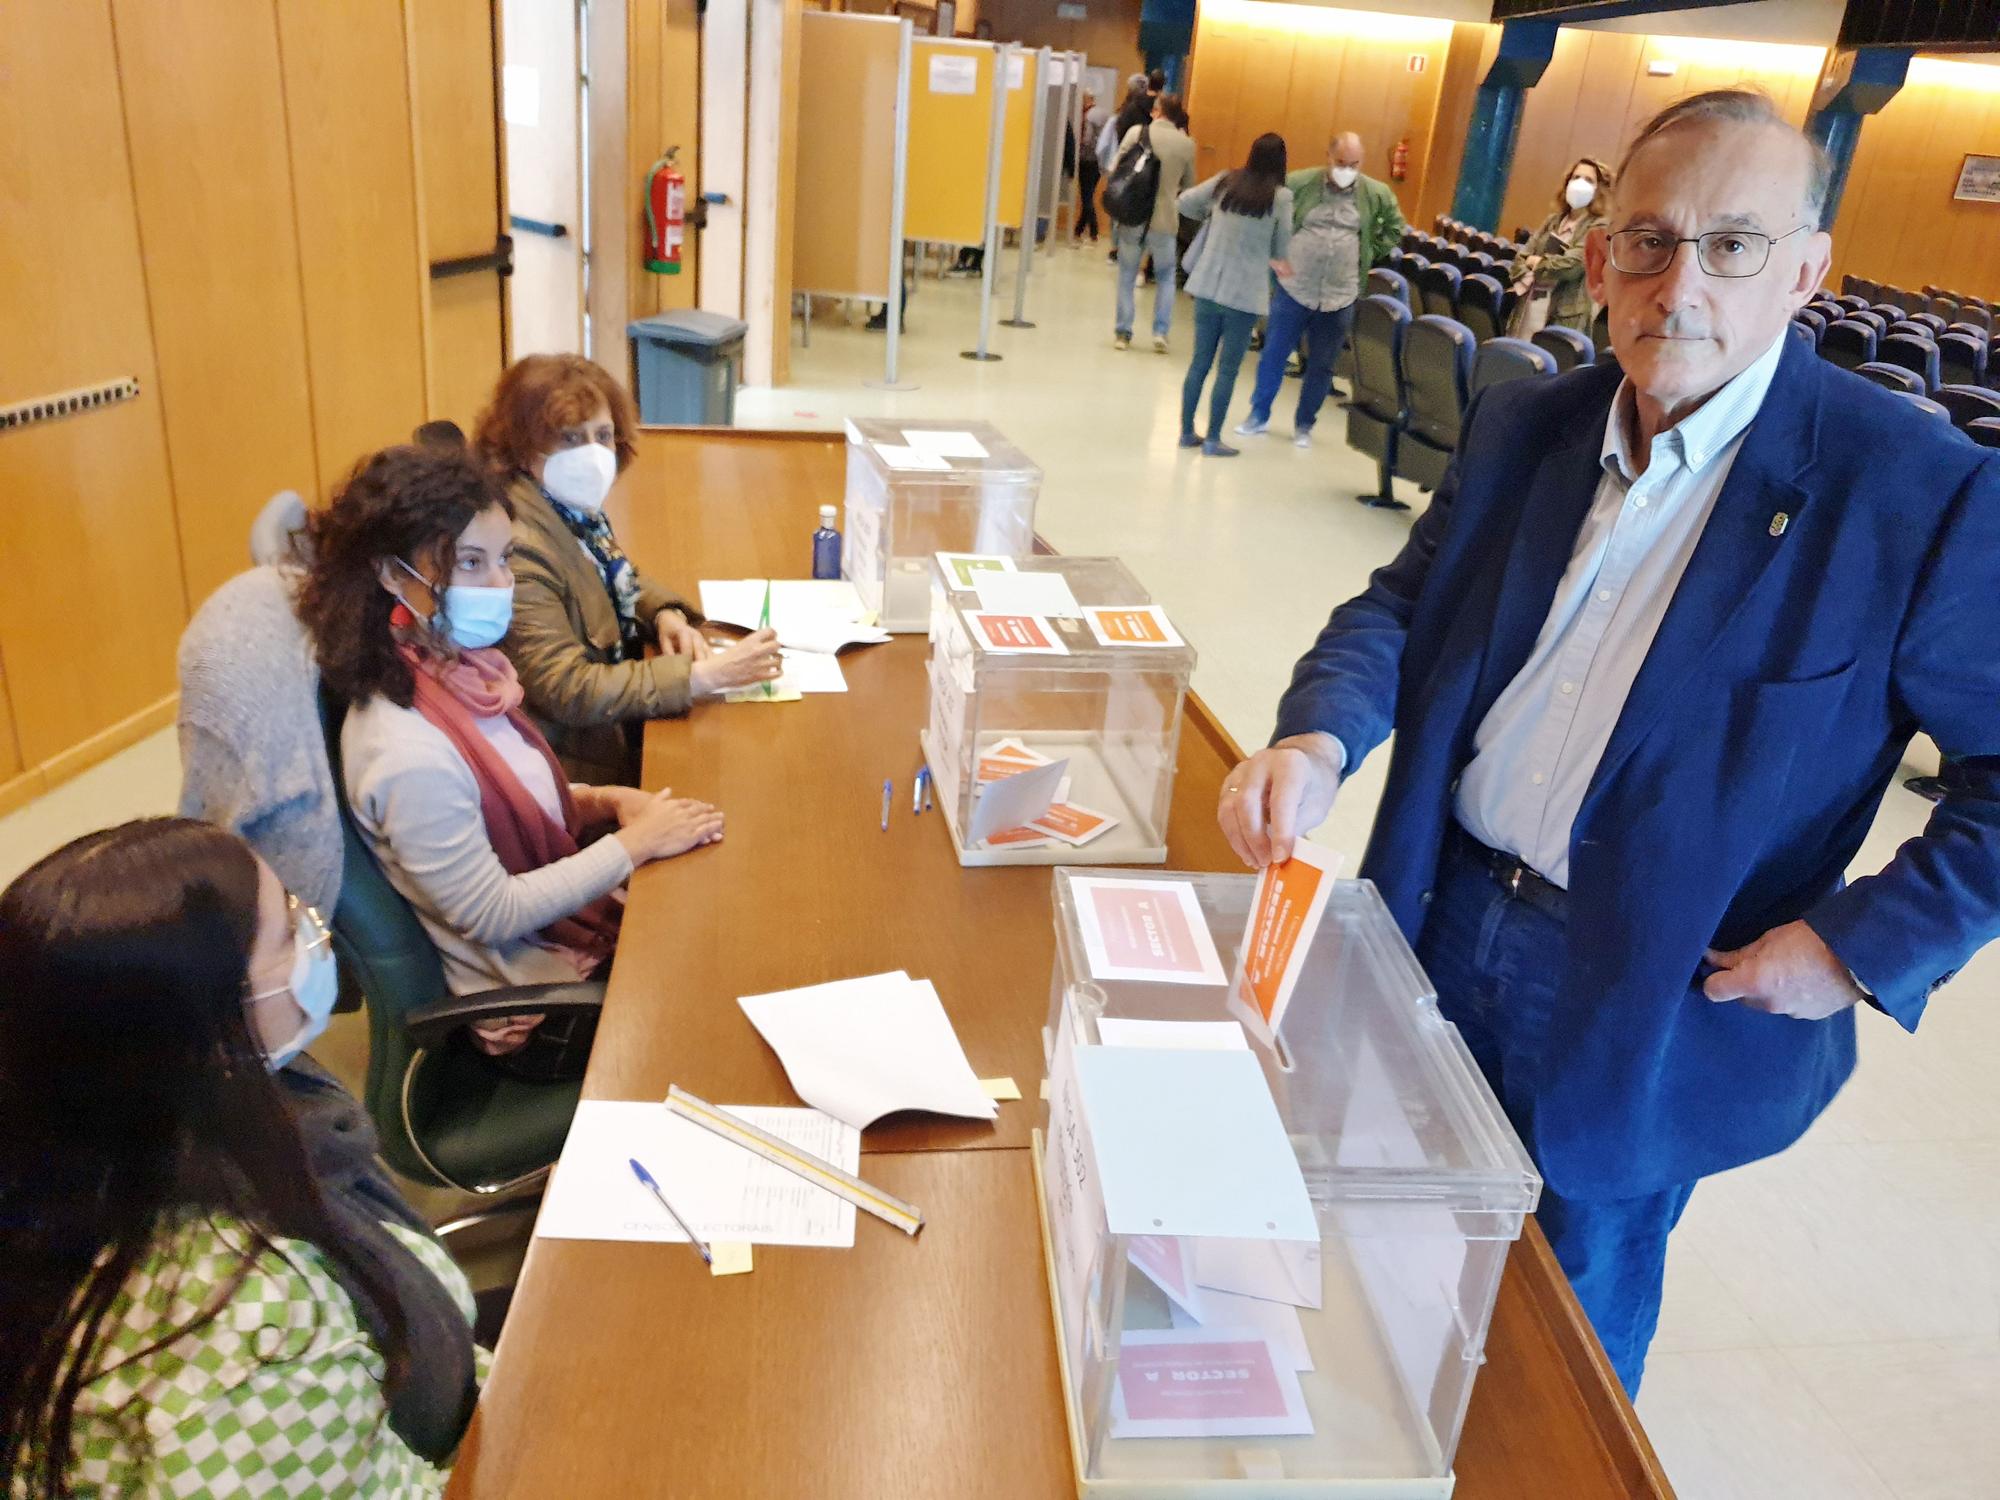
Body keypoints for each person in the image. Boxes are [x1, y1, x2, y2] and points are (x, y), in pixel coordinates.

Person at [1215, 89, 2000, 1395]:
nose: (1680, 281)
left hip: (1649, 986)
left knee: (1557, 1340)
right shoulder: (1532, 422)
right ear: (1598, 257)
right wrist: (1320, 737)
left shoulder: (1913, 493)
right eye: (1648, 238)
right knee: (1385, 1249)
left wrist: (1859, 951)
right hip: (1437, 913)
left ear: (1806, 271)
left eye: (1734, 244)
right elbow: (1403, 604)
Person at [0, 819, 482, 1496]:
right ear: (211, 1022)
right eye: (287, 934)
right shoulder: (235, 1322)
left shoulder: (126, 1141)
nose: (313, 930)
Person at [299, 444, 725, 1080]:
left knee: (718, 907)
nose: (500, 586)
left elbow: (507, 800)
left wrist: (605, 803)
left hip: (558, 946)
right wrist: (631, 846)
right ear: (392, 575)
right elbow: (493, 910)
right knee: (723, 983)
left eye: (504, 560)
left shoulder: (454, 670)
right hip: (536, 1007)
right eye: (471, 564)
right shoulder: (405, 751)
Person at [473, 355, 781, 786]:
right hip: (573, 765)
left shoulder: (569, 512)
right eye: (570, 439)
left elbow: (610, 571)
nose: (594, 455)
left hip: (602, 734)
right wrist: (700, 677)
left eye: (602, 436)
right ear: (523, 449)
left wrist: (663, 613)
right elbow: (568, 689)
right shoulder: (518, 546)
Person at [1238, 131, 1406, 447]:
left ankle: (1304, 425)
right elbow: (1272, 218)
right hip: (1295, 286)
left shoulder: (1375, 193)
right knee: (1274, 352)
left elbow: (1396, 228)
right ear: (1328, 157)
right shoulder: (1299, 183)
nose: (1346, 169)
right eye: (1341, 162)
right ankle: (1258, 415)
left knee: (1323, 364)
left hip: (1340, 294)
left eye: (1354, 164)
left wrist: (1369, 248)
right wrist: (1275, 255)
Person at [1175, 133, 1293, 456]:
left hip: (1208, 286)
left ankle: (1186, 432)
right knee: (1228, 369)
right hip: (1244, 296)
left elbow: (1184, 201)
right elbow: (1281, 248)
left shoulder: (1225, 182)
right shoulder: (1280, 198)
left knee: (1199, 363)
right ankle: (1212, 438)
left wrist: (1212, 215)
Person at [1111, 93, 1196, 352]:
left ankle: (1123, 333)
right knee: (1166, 276)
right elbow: (1189, 185)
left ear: (1156, 111)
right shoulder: (1186, 144)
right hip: (1165, 219)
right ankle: (1160, 332)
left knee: (1126, 274)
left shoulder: (1137, 133)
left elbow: (1116, 168)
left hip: (1133, 215)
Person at [1508, 156, 1614, 338]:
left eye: (1588, 180)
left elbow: (1571, 266)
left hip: (1565, 316)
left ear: (1599, 190)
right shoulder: (1553, 220)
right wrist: (1534, 264)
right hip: (1529, 308)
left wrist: (1536, 263)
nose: (1579, 183)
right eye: (1575, 177)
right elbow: (1521, 257)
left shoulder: (1600, 226)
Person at [1077, 90, 1104, 243]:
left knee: (1086, 196)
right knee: (1089, 194)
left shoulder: (1087, 115)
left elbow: (1086, 139)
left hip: (1087, 159)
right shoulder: (1103, 114)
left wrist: (1078, 148)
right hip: (1099, 161)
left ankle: (1094, 229)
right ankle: (1079, 228)